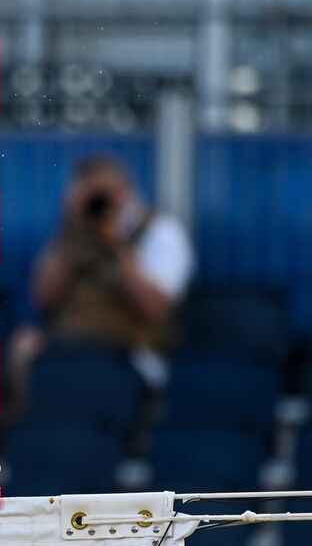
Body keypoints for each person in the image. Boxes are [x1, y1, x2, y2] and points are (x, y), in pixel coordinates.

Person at [12, 155, 195, 390]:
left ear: (127, 190)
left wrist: (114, 245)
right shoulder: (72, 233)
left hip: (131, 347)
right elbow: (42, 300)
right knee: (23, 345)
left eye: (104, 192)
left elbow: (154, 309)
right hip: (71, 341)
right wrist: (69, 230)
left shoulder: (161, 232)